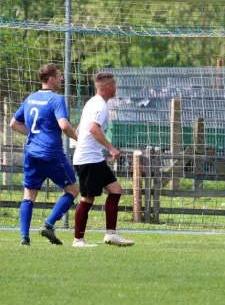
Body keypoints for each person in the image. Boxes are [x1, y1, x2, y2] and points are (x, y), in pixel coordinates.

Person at [9, 63, 79, 246]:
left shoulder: (30, 98)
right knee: (73, 190)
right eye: (60, 75)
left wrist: (34, 134)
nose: (62, 79)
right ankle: (48, 224)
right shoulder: (56, 99)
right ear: (52, 79)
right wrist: (77, 137)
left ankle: (24, 238)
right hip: (51, 154)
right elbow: (64, 125)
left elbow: (13, 124)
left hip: (32, 153)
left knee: (28, 195)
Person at [71, 72, 134, 247]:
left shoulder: (92, 102)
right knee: (87, 199)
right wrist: (111, 148)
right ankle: (78, 240)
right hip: (88, 159)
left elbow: (81, 127)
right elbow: (93, 129)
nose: (116, 88)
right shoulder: (100, 105)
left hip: (93, 157)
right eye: (114, 85)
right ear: (108, 87)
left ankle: (111, 234)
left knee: (115, 189)